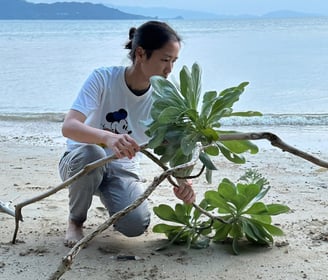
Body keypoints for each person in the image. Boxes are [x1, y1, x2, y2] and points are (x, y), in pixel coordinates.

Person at [58, 21, 196, 248]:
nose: (169, 69)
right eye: (164, 59)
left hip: (122, 169)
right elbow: (69, 126)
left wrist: (183, 183)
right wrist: (108, 138)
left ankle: (111, 197)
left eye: (173, 61)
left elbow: (172, 144)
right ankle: (76, 221)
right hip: (80, 163)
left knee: (135, 225)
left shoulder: (164, 98)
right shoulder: (103, 78)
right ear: (141, 54)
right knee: (93, 151)